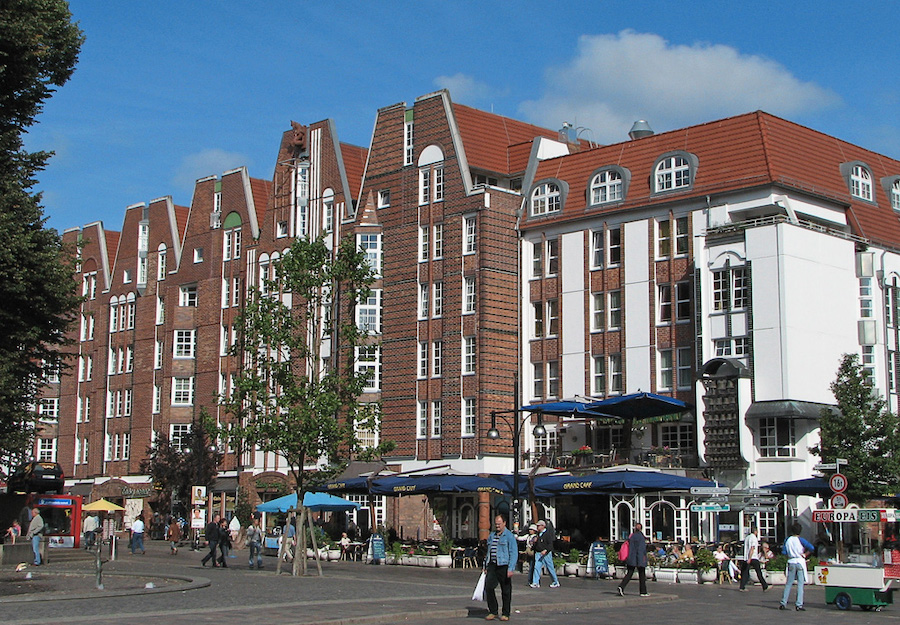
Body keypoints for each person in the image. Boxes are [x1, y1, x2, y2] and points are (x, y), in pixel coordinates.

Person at [484, 514, 518, 621]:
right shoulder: (492, 535)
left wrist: (511, 568)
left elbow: (513, 552)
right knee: (489, 587)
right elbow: (488, 551)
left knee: (506, 590)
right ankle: (493, 611)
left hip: (504, 565)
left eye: (499, 524)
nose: (497, 526)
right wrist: (485, 565)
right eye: (496, 524)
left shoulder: (509, 536)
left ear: (504, 523)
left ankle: (505, 613)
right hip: (493, 565)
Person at [780, 522, 814, 611]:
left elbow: (784, 552)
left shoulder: (787, 540)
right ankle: (799, 604)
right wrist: (805, 554)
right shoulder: (801, 540)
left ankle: (783, 602)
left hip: (791, 561)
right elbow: (811, 548)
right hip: (800, 561)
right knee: (800, 584)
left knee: (788, 583)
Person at [617, 522, 649, 597]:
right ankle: (643, 591)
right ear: (641, 529)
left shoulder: (632, 536)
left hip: (631, 558)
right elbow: (640, 550)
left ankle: (621, 586)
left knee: (629, 573)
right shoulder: (640, 537)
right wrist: (642, 561)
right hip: (639, 559)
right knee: (642, 575)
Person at [529, 519, 560, 588]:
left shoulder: (547, 534)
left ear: (543, 526)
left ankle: (555, 581)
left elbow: (550, 545)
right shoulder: (538, 534)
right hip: (538, 553)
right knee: (536, 567)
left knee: (550, 568)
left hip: (546, 554)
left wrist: (546, 550)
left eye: (538, 526)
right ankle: (535, 582)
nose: (537, 527)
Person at [739, 526, 769, 592]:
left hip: (746, 557)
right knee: (758, 572)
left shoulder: (747, 537)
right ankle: (765, 586)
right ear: (755, 531)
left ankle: (742, 586)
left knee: (744, 572)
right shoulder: (754, 538)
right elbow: (752, 548)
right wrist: (750, 558)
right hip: (753, 557)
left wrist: (747, 558)